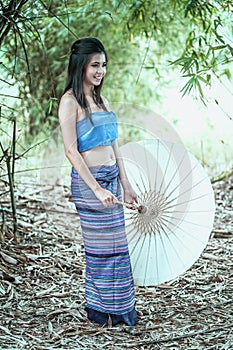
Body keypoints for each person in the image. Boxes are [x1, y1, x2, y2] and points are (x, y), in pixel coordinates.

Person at [58, 37, 138, 327]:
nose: (100, 71)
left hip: (111, 179)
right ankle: (100, 310)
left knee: (118, 247)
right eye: (95, 65)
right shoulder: (69, 102)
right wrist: (97, 188)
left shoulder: (102, 100)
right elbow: (71, 150)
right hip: (89, 184)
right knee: (100, 249)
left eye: (103, 65)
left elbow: (114, 146)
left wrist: (125, 184)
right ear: (80, 65)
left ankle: (120, 310)